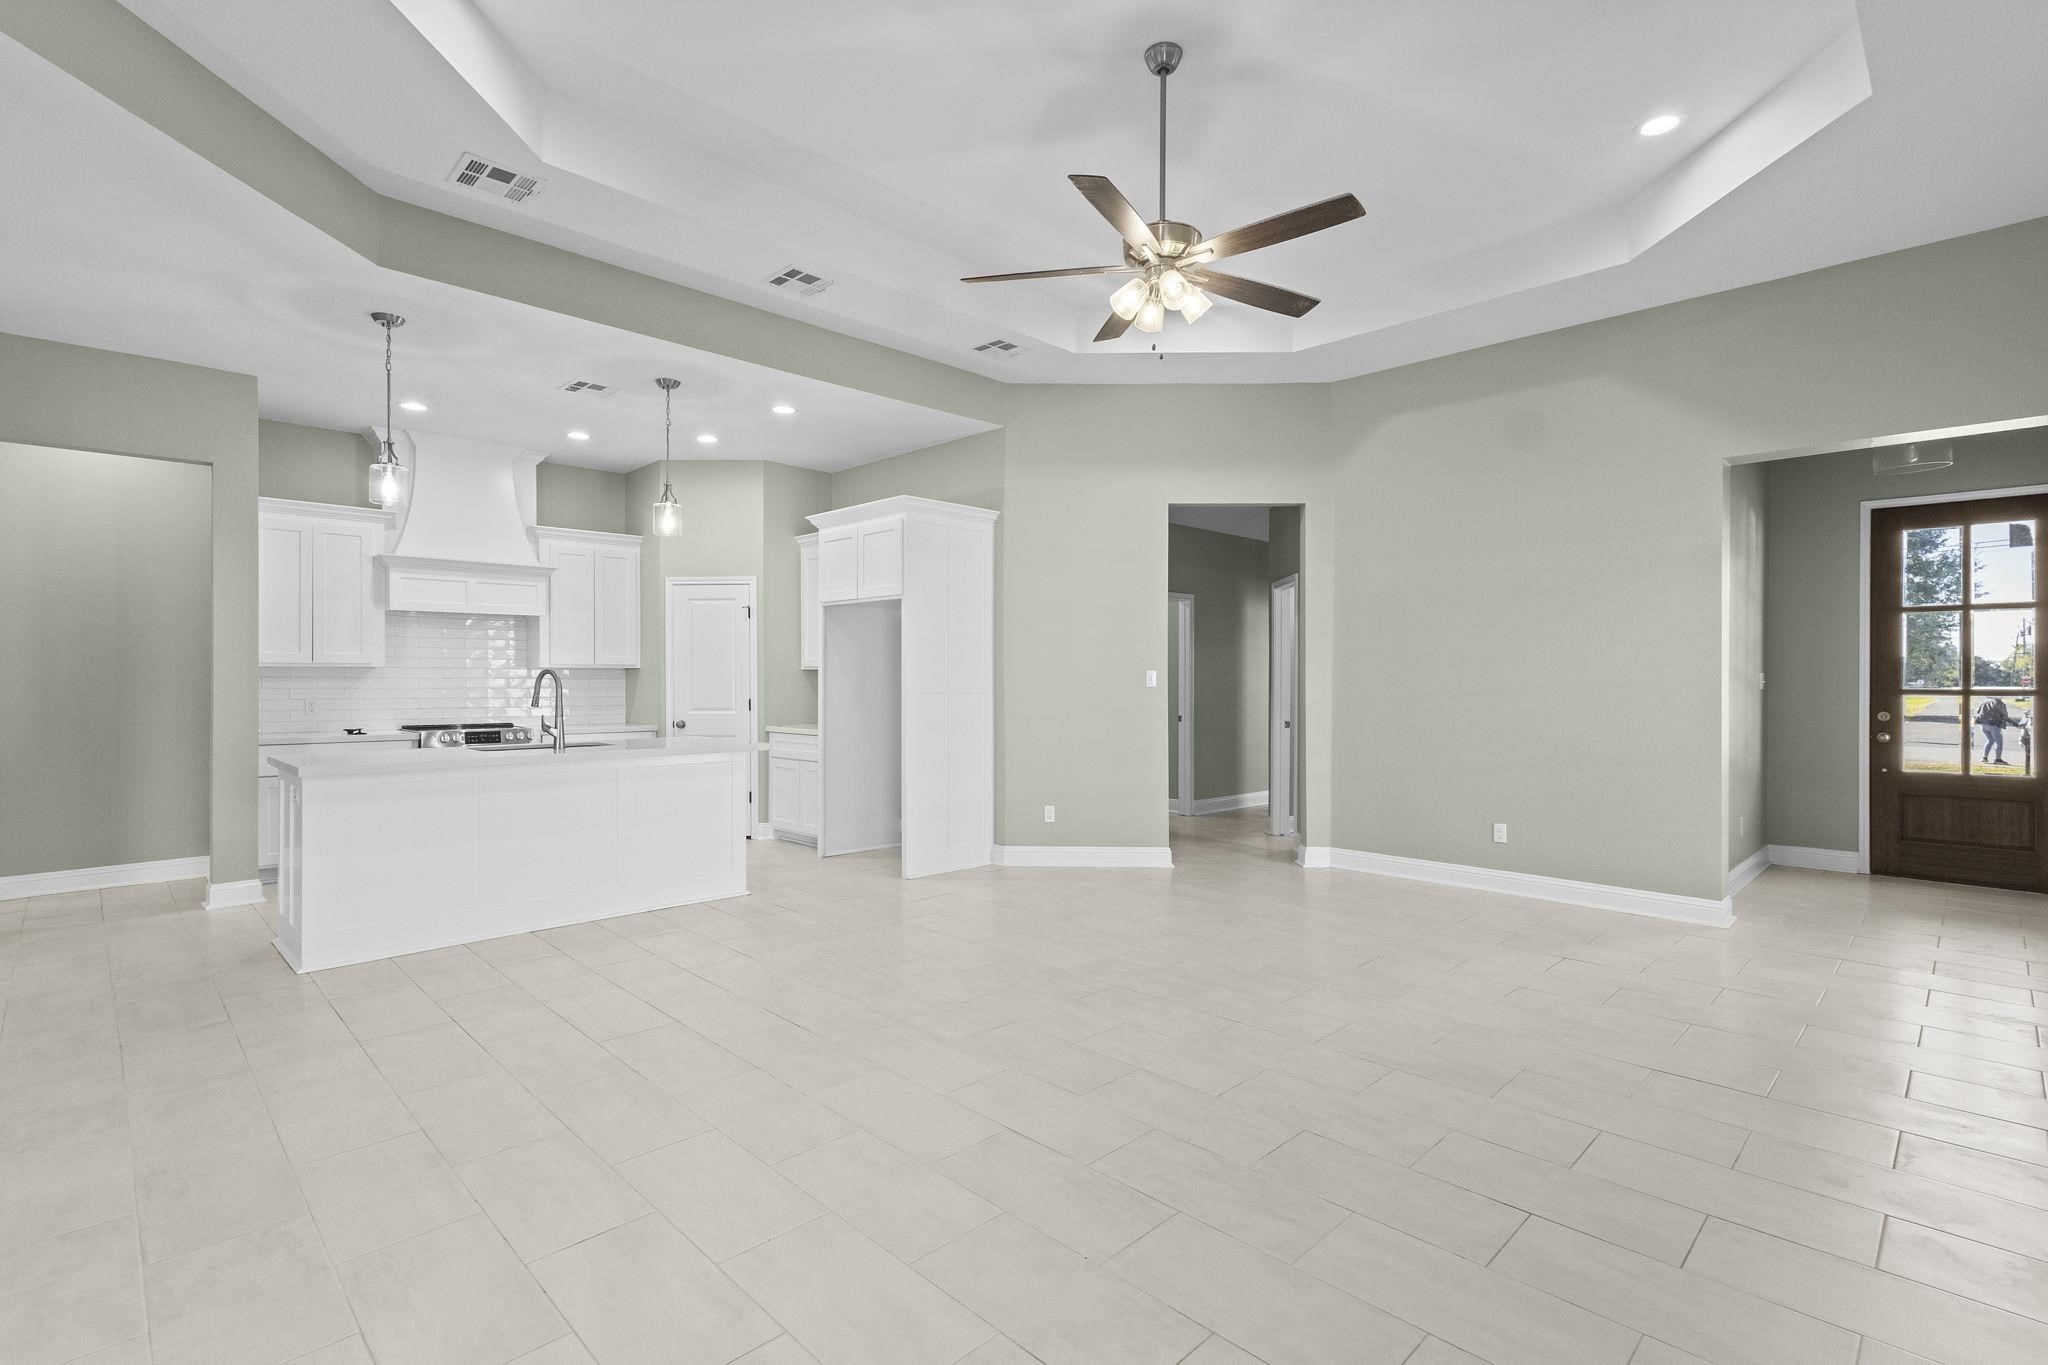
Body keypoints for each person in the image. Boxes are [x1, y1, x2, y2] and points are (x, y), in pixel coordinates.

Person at [1976, 696, 2012, 765]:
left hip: (1983, 724)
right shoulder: (2000, 703)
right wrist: (2016, 725)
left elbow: (1978, 711)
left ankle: (1984, 758)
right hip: (1994, 725)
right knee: (1999, 742)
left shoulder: (1984, 701)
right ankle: (1997, 759)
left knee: (1990, 740)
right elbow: (2005, 716)